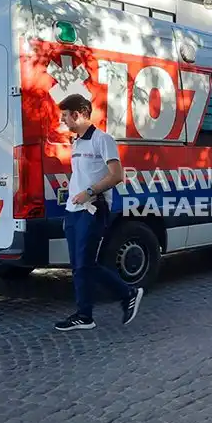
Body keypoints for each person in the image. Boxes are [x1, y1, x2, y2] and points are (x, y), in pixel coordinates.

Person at [54, 94, 143, 331]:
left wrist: (90, 192)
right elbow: (80, 177)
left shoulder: (103, 140)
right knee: (80, 267)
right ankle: (86, 315)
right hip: (74, 212)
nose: (63, 121)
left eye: (65, 116)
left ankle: (125, 294)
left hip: (93, 209)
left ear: (79, 113)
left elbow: (116, 175)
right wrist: (69, 208)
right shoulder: (76, 143)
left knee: (85, 264)